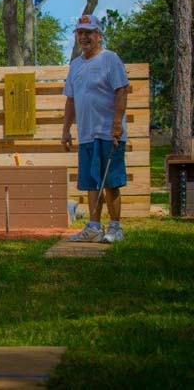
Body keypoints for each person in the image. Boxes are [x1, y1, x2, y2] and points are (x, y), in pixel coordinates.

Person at [61, 14, 129, 243]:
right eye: (80, 33)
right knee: (91, 182)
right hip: (87, 135)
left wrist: (117, 124)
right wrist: (65, 131)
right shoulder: (75, 65)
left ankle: (116, 227)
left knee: (111, 182)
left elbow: (121, 90)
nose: (84, 37)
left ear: (99, 35)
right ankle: (93, 227)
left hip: (109, 133)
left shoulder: (110, 59)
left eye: (88, 32)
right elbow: (70, 100)